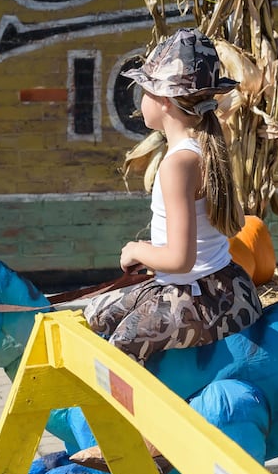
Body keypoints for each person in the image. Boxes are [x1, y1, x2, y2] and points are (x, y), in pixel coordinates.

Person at [83, 28, 263, 363]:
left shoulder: (177, 164)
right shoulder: (202, 146)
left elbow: (181, 260)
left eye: (145, 90)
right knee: (94, 314)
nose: (141, 100)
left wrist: (138, 249)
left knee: (118, 351)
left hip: (201, 298)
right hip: (225, 284)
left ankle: (141, 415)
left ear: (164, 100)